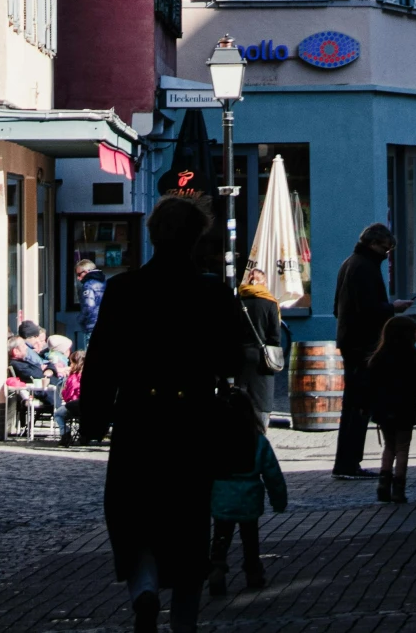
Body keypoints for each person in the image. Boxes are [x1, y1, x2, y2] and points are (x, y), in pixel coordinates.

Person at [78, 192, 256, 633]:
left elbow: (101, 359)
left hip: (139, 418)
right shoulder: (211, 291)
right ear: (197, 239)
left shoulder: (124, 289)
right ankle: (183, 622)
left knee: (132, 514)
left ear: (153, 235)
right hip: (191, 421)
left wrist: (93, 418)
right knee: (187, 521)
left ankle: (144, 588)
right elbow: (232, 362)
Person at [208, 382, 288, 594]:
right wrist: (279, 500)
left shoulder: (215, 441)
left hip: (222, 497)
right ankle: (253, 571)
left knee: (221, 536)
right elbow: (272, 473)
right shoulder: (257, 440)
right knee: (250, 539)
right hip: (249, 499)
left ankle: (217, 568)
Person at [332, 221, 393, 477]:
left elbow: (338, 307)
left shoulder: (350, 263)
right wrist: (393, 308)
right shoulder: (364, 267)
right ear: (372, 243)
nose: (386, 254)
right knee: (357, 405)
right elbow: (368, 309)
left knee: (354, 404)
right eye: (385, 248)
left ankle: (347, 461)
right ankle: (347, 462)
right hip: (361, 344)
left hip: (351, 341)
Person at [366, 313, 416, 503]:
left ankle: (383, 483)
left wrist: (372, 410)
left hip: (384, 410)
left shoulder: (377, 360)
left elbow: (369, 389)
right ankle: (398, 488)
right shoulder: (415, 362)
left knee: (389, 447)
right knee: (402, 447)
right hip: (405, 409)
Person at [237, 261, 285, 429]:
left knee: (241, 397)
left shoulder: (239, 301)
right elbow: (275, 337)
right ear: (264, 283)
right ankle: (260, 433)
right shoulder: (270, 303)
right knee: (262, 400)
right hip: (263, 359)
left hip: (241, 357)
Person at [75, 254, 108, 345]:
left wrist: (80, 319)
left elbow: (88, 306)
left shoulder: (88, 285)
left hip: (92, 326)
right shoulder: (105, 283)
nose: (78, 278)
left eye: (79, 274)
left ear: (86, 272)